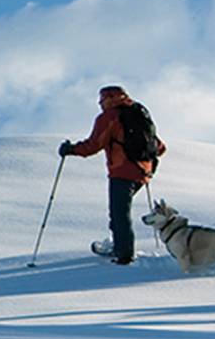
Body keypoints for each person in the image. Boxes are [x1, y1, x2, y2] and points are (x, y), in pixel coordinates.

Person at [59, 85, 166, 265]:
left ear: (109, 99)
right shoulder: (139, 113)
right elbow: (160, 147)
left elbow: (93, 145)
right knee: (119, 211)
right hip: (144, 171)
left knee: (119, 213)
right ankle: (119, 246)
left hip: (122, 170)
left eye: (102, 100)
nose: (100, 103)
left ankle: (123, 254)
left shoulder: (109, 117)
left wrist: (70, 149)